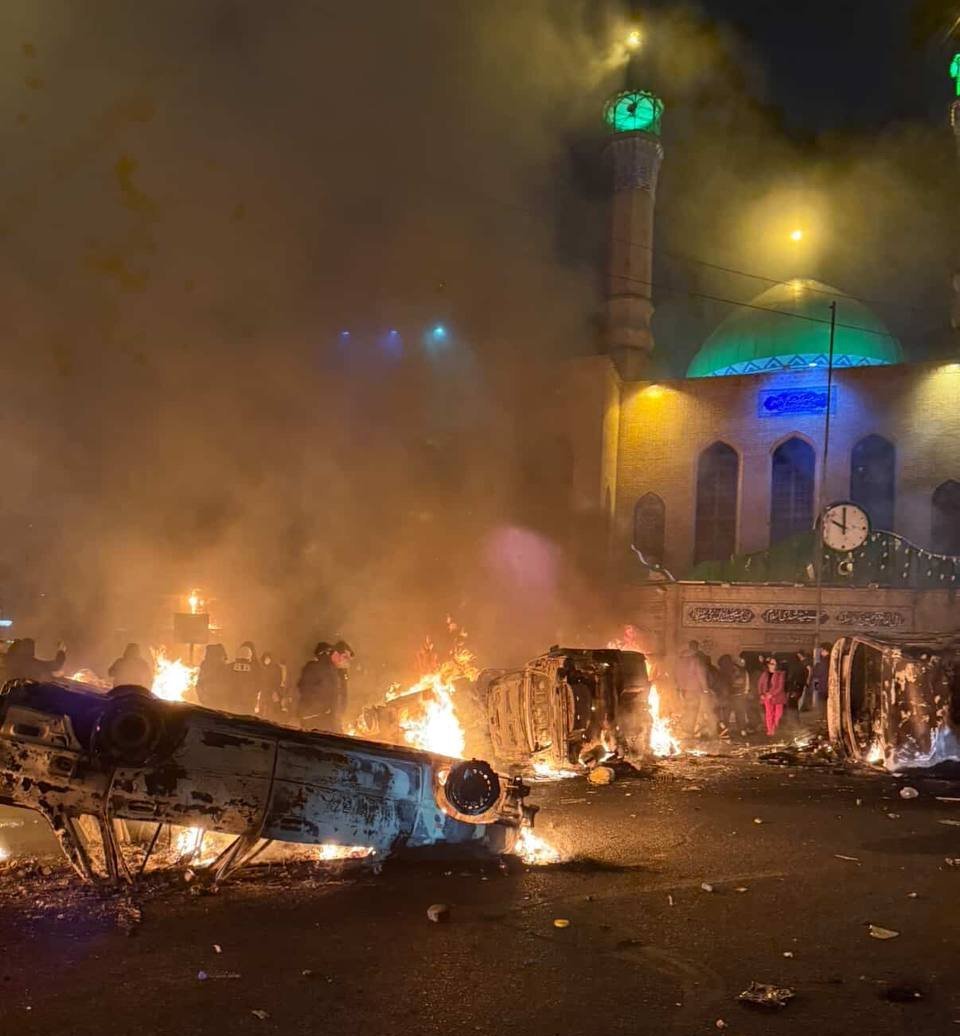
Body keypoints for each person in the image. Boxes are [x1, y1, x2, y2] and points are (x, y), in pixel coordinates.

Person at [297, 640, 354, 732]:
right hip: (316, 721)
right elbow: (303, 688)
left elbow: (340, 697)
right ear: (335, 654)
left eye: (348, 659)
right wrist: (321, 710)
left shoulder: (339, 674)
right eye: (345, 657)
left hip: (332, 722)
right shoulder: (315, 667)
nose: (346, 661)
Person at [677, 640, 717, 738]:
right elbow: (701, 675)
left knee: (688, 710)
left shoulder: (680, 660)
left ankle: (689, 732)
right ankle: (690, 733)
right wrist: (706, 690)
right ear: (696, 647)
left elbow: (677, 676)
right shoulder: (695, 659)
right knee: (696, 711)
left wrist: (680, 689)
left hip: (683, 690)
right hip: (695, 690)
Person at [228, 641, 261, 716]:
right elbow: (259, 683)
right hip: (248, 701)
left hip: (235, 700)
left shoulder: (231, 667)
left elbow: (228, 680)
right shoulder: (256, 668)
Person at [196, 643, 231, 711]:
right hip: (216, 701)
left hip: (214, 700)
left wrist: (203, 697)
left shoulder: (206, 667)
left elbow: (199, 684)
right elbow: (200, 684)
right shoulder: (208, 667)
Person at [758, 656, 788, 736]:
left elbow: (780, 687)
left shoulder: (780, 674)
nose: (772, 665)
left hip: (778, 697)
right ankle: (770, 730)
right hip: (766, 697)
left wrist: (771, 694)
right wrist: (761, 694)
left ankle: (775, 729)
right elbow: (760, 684)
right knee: (769, 714)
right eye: (771, 663)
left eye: (774, 664)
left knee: (778, 714)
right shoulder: (765, 674)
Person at [800, 643, 830, 713]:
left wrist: (814, 668)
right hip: (823, 684)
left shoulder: (824, 661)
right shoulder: (828, 660)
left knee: (820, 700)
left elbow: (817, 673)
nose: (821, 652)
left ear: (826, 650)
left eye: (822, 650)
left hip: (821, 684)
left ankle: (821, 715)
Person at [259, 651, 285, 722]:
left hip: (273, 691)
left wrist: (275, 690)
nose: (266, 660)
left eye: (267, 658)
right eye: (265, 658)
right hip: (264, 691)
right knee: (263, 707)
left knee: (272, 708)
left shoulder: (276, 668)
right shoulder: (263, 668)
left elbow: (278, 680)